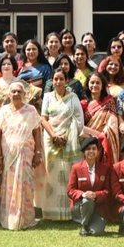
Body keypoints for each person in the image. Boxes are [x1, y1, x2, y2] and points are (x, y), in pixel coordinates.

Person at [0, 81, 44, 231]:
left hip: (26, 153)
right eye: (14, 91)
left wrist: (38, 152)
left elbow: (37, 131)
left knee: (26, 184)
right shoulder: (4, 110)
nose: (16, 94)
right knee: (9, 184)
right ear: (9, 94)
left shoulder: (31, 110)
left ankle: (25, 218)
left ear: (24, 94)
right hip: (8, 153)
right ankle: (10, 218)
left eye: (19, 91)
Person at [39, 71, 85, 222]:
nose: (58, 82)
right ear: (52, 81)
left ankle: (69, 212)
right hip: (50, 139)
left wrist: (66, 135)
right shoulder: (47, 97)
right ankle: (51, 212)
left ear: (66, 81)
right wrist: (54, 135)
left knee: (68, 174)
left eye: (61, 79)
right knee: (51, 175)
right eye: (56, 79)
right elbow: (43, 118)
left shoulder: (73, 97)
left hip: (69, 140)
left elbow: (79, 119)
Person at [66, 137, 115, 236]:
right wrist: (83, 194)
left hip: (99, 208)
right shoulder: (76, 168)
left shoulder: (105, 169)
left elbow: (107, 191)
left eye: (94, 149)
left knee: (97, 232)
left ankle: (90, 223)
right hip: (81, 206)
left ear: (98, 151)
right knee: (87, 200)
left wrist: (95, 195)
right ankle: (84, 225)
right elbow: (70, 190)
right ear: (84, 152)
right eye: (88, 149)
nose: (91, 151)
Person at [81, 72, 121, 165]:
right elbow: (79, 126)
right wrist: (96, 135)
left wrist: (101, 136)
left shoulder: (109, 102)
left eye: (98, 83)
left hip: (104, 143)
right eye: (92, 82)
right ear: (88, 84)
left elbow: (112, 125)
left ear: (102, 85)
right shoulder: (83, 104)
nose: (95, 85)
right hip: (87, 142)